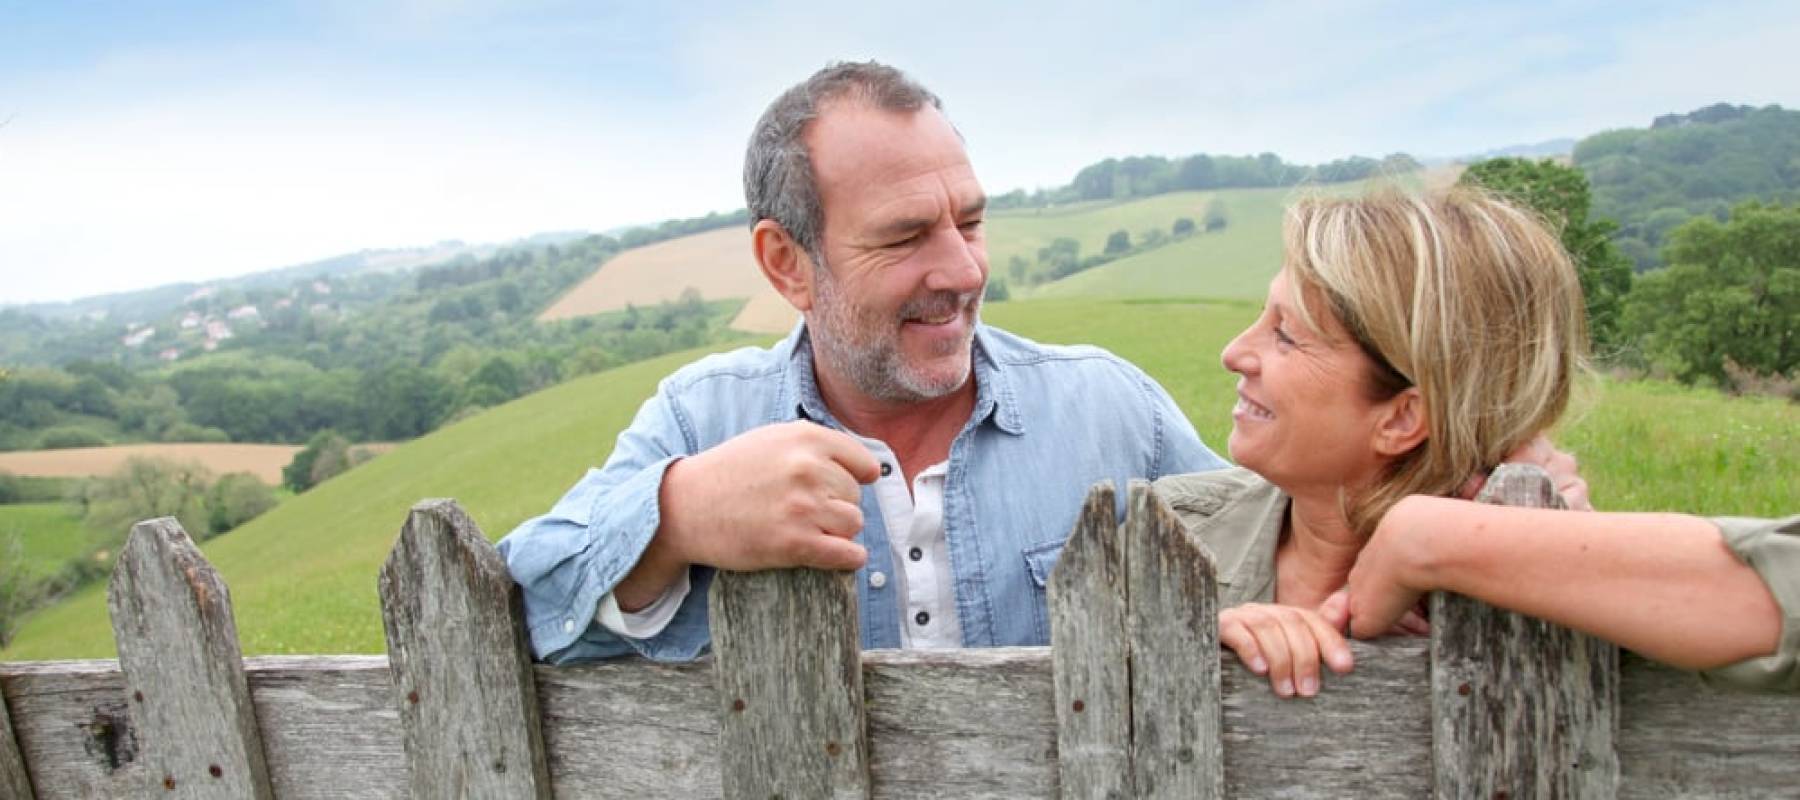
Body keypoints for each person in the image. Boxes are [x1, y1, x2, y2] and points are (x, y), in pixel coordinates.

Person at [495, 61, 1229, 664]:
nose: (962, 271)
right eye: (905, 236)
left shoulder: (1107, 406)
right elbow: (521, 616)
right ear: (787, 264)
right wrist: (677, 517)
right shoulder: (701, 421)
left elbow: (1273, 550)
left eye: (970, 222)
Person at [1154, 187, 1796, 697]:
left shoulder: (1563, 583)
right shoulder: (1171, 526)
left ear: (1403, 418)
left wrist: (1434, 542)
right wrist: (1200, 648)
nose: (1234, 352)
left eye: (1287, 335)